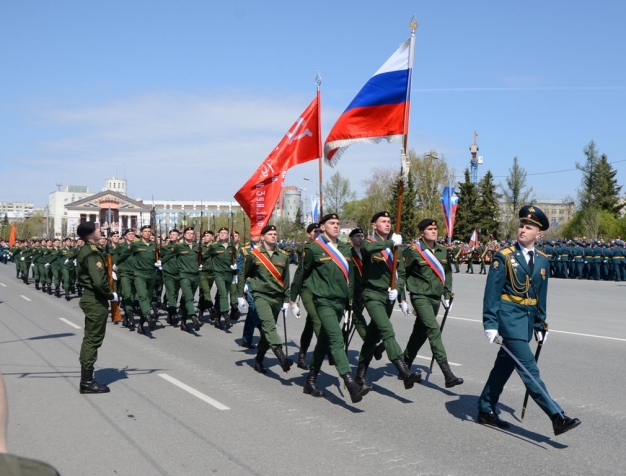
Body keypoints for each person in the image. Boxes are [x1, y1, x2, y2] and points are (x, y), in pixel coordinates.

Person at [477, 205, 581, 436]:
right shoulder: (503, 256)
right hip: (508, 319)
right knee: (529, 369)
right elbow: (491, 293)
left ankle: (485, 408)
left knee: (504, 366)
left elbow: (540, 295)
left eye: (529, 227)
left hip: (526, 322)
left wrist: (540, 324)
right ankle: (557, 416)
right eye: (522, 225)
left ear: (539, 233)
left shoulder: (543, 260)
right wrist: (490, 323)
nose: (523, 230)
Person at [291, 214, 370, 403]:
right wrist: (292, 300)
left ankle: (310, 380)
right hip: (323, 301)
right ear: (322, 227)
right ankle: (350, 382)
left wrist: (351, 303)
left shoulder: (345, 249)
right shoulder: (313, 249)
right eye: (331, 223)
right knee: (336, 340)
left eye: (337, 223)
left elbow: (349, 279)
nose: (336, 226)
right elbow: (302, 274)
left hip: (340, 302)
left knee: (323, 342)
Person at [354, 211, 421, 391]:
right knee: (387, 331)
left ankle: (360, 374)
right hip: (372, 295)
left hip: (388, 297)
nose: (387, 224)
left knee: (371, 338)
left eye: (389, 221)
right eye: (383, 221)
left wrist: (399, 293)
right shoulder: (370, 242)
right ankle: (404, 371)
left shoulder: (396, 249)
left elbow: (401, 275)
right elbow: (367, 250)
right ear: (374, 226)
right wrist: (392, 242)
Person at [401, 219, 463, 388]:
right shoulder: (413, 251)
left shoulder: (442, 251)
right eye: (430, 229)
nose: (434, 231)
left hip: (435, 297)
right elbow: (401, 273)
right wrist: (402, 297)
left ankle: (404, 363)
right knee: (433, 330)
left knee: (420, 332)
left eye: (435, 228)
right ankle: (447, 374)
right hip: (420, 296)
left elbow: (448, 274)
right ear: (422, 232)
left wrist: (447, 295)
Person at [238, 225, 292, 374]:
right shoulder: (253, 255)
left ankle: (258, 360)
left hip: (277, 297)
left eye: (275, 233)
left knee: (267, 332)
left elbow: (286, 280)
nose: (273, 236)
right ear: (262, 237)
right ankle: (281, 356)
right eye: (270, 234)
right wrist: (240, 295)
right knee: (269, 326)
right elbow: (243, 274)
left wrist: (287, 300)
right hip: (261, 296)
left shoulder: (283, 256)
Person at [76, 221, 118, 394]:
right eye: (96, 229)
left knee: (91, 338)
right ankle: (86, 382)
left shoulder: (91, 251)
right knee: (92, 340)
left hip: (92, 298)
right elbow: (99, 282)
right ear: (89, 235)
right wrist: (110, 295)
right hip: (95, 299)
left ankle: (87, 378)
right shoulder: (92, 254)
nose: (100, 230)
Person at [289, 222, 322, 370]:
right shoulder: (305, 249)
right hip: (307, 289)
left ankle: (301, 356)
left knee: (310, 324)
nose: (317, 233)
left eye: (319, 231)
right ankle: (329, 348)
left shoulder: (328, 248)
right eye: (315, 232)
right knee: (317, 319)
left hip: (322, 291)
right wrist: (293, 299)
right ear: (309, 234)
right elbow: (300, 273)